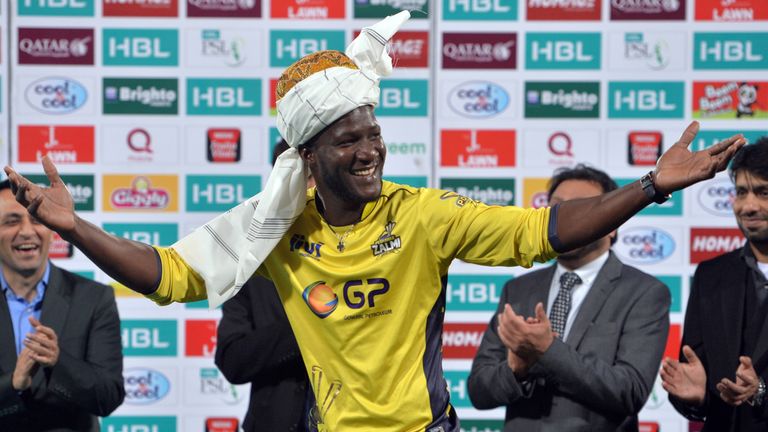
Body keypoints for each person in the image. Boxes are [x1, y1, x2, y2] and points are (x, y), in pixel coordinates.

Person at [4, 11, 745, 431]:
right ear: (308, 152)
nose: (370, 150)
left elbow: (543, 231)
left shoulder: (422, 215)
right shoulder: (272, 226)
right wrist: (78, 229)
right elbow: (167, 277)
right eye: (348, 139)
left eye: (373, 131)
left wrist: (650, 186)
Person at [467, 164, 671, 431]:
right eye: (556, 209)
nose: (564, 219)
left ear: (612, 224)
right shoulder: (518, 290)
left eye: (579, 208)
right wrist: (516, 371)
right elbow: (478, 391)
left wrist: (548, 350)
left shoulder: (644, 292)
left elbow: (629, 391)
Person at [661, 137, 768, 431]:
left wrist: (761, 392)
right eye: (742, 192)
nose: (748, 206)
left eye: (763, 192)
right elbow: (697, 374)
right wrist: (695, 398)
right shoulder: (711, 275)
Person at [0, 180, 124, 431]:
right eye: (11, 221)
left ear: (50, 228)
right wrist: (13, 384)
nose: (26, 231)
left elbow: (108, 397)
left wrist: (58, 362)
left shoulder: (94, 298)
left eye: (36, 219)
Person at [215, 139, 314, 432]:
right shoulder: (254, 263)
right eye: (287, 180)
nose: (299, 189)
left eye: (308, 177)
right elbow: (232, 361)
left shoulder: (368, 256)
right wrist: (309, 326)